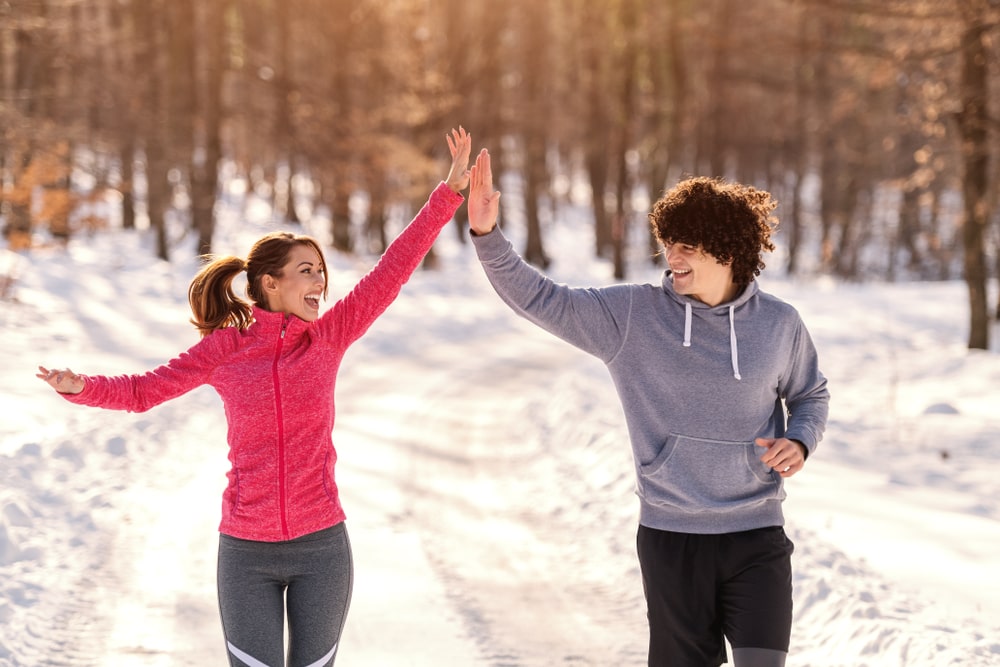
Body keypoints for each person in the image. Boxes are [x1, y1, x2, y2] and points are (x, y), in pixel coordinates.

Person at [36, 127, 474, 667]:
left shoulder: (328, 337)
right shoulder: (226, 349)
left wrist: (447, 195)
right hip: (245, 553)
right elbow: (145, 391)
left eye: (322, 272)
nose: (320, 283)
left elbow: (392, 269)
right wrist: (83, 388)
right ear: (269, 284)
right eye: (306, 272)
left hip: (322, 548)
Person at [465, 149, 829, 667]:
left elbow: (810, 393)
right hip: (671, 537)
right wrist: (486, 236)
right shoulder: (633, 317)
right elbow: (542, 299)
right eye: (666, 245)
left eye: (684, 246)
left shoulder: (779, 324)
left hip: (757, 534)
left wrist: (801, 439)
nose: (670, 257)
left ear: (726, 249)